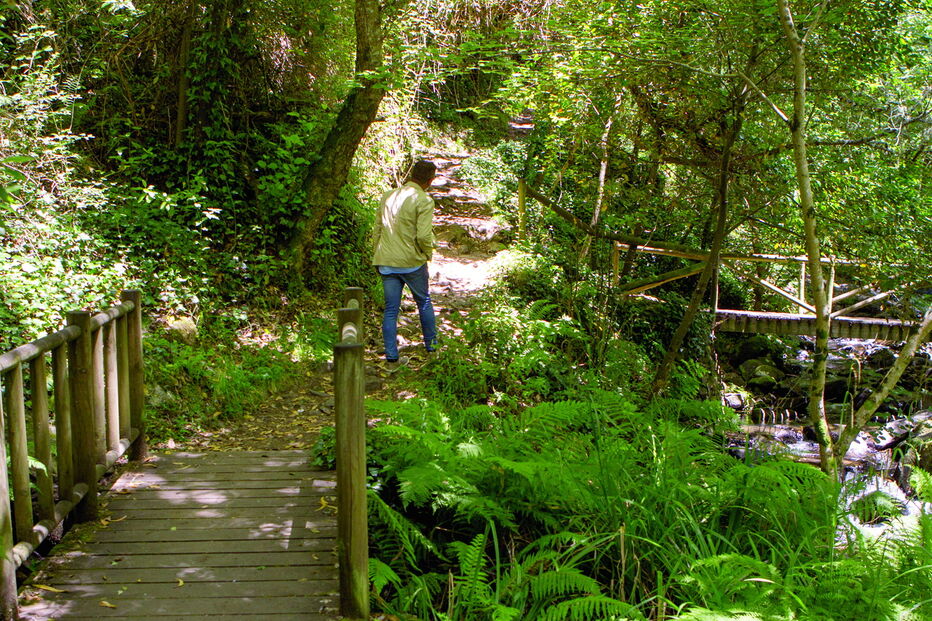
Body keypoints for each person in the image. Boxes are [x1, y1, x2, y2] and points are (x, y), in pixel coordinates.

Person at [372, 160, 438, 364]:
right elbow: (424, 236)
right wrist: (427, 254)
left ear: (411, 174)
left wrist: (376, 256)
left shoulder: (388, 195)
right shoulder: (424, 200)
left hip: (387, 260)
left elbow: (377, 230)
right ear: (430, 180)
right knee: (424, 302)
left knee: (391, 309)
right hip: (412, 262)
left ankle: (391, 356)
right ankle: (432, 347)